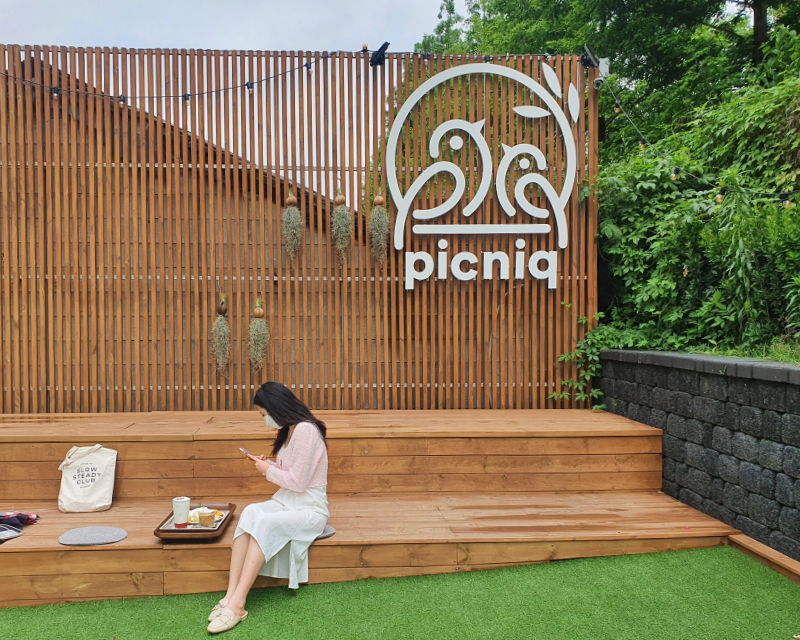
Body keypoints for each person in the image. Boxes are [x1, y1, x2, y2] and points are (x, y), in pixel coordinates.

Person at [206, 381, 329, 634]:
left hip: (309, 508)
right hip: (289, 500)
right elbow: (293, 472)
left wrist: (267, 471)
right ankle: (230, 595)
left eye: (264, 415)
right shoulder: (291, 429)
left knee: (264, 522)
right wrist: (270, 464)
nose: (265, 420)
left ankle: (238, 604)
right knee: (251, 512)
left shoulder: (306, 430)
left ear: (277, 408)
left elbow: (299, 482)